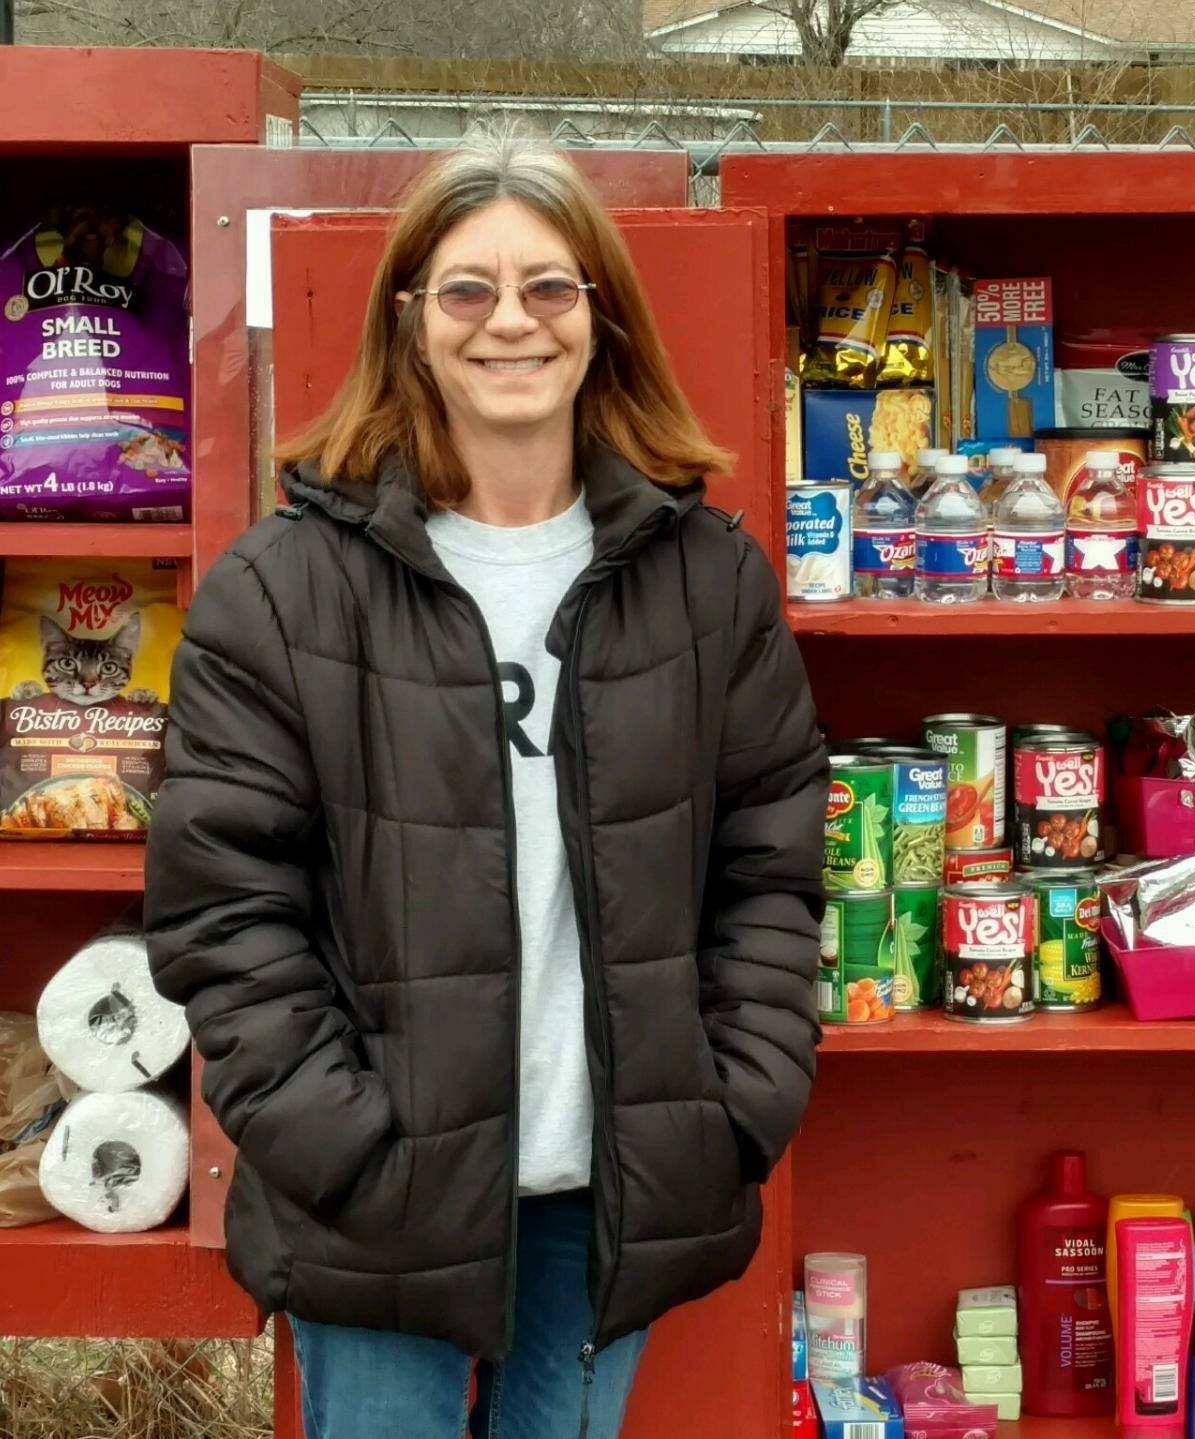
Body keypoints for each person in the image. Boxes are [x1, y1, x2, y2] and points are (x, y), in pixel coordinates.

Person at [143, 132, 827, 1439]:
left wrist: (728, 1109)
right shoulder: (284, 592)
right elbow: (225, 911)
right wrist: (344, 1142)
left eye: (549, 288)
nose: (510, 322)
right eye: (467, 289)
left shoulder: (707, 582)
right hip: (377, 1199)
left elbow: (772, 869)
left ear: (601, 317)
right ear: (409, 322)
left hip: (613, 1188)